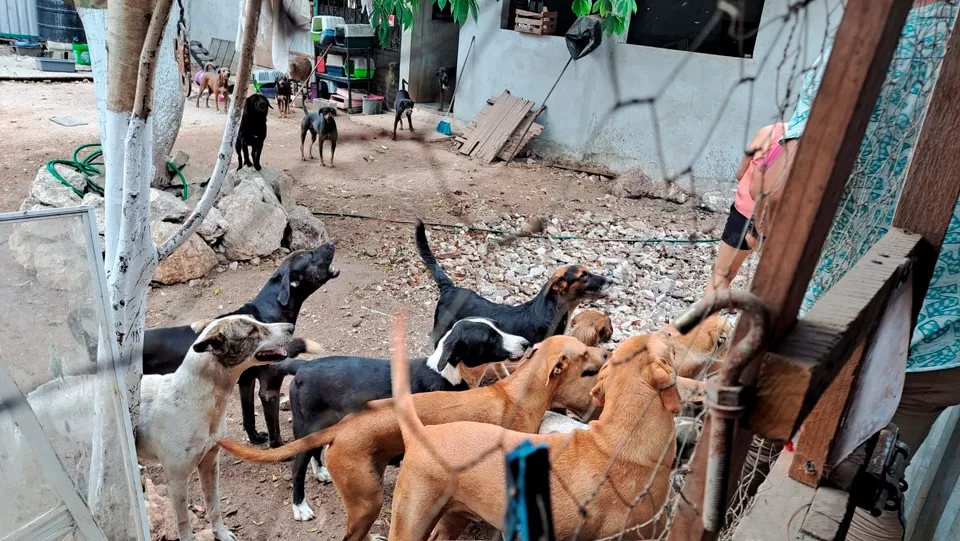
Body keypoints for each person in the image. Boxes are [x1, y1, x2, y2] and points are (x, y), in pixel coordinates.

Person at [758, 1, 959, 539]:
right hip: (942, 348)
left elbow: (783, 193)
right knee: (873, 471)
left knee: (824, 480)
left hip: (857, 333)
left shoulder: (872, 36)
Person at [706, 122, 785, 294]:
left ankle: (708, 318)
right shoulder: (813, 147)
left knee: (722, 273)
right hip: (779, 222)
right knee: (774, 280)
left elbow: (740, 173)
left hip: (745, 213)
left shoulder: (769, 132)